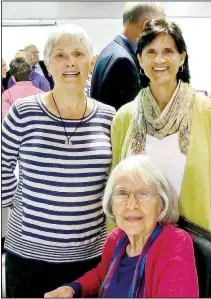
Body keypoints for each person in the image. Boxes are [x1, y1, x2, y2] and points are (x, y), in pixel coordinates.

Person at [2, 24, 115, 298]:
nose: (70, 62)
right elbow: (2, 169)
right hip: (27, 258)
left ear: (91, 62)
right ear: (47, 65)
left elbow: (114, 183)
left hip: (89, 261)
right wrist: (29, 213)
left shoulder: (110, 118)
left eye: (78, 53)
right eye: (60, 55)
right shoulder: (23, 112)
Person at [110, 17, 211, 241]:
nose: (159, 59)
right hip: (137, 247)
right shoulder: (124, 118)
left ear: (181, 57)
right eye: (150, 52)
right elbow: (116, 192)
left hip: (193, 249)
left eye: (168, 51)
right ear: (140, 59)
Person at [44, 155, 199, 298]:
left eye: (143, 194)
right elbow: (101, 275)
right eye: (122, 193)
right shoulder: (117, 238)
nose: (131, 204)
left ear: (162, 205)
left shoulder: (174, 243)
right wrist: (73, 288)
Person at [90, 2, 165, 111]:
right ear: (146, 26)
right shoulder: (123, 62)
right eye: (160, 27)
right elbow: (127, 122)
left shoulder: (110, 49)